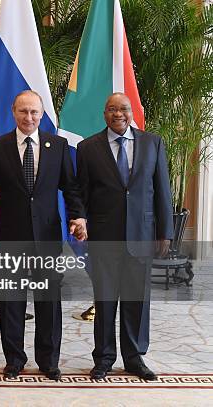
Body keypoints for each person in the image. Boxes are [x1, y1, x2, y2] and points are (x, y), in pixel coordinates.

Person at [0, 90, 86, 380]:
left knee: (49, 302)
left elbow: (71, 188)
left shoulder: (59, 146)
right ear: (13, 112)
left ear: (42, 115)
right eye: (23, 111)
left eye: (34, 112)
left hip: (48, 237)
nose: (29, 117)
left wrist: (78, 216)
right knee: (11, 302)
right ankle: (14, 359)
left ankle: (48, 360)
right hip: (12, 236)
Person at [76, 92, 173, 381]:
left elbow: (163, 192)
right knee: (105, 301)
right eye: (112, 109)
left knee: (136, 301)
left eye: (124, 109)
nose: (118, 114)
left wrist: (165, 233)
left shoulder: (152, 143)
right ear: (104, 114)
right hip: (104, 237)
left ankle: (134, 358)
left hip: (141, 236)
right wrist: (79, 220)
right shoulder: (87, 148)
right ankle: (103, 358)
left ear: (133, 112)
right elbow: (81, 194)